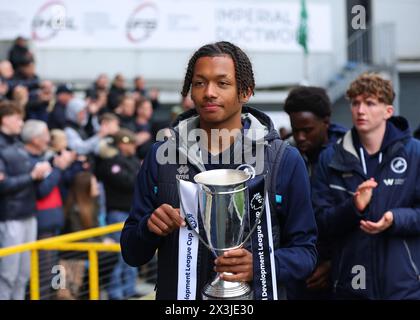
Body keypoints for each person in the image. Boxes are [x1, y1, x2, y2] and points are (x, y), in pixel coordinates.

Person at [120, 41, 317, 300]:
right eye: (200, 83)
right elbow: (132, 253)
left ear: (245, 92)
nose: (209, 92)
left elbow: (306, 251)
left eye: (222, 83)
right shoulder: (161, 156)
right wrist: (148, 228)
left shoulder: (284, 159)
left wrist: (261, 266)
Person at [312, 73, 420, 299]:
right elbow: (320, 223)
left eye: (370, 103)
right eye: (355, 103)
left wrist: (395, 218)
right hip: (351, 287)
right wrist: (353, 207)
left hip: (404, 288)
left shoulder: (415, 153)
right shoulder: (330, 158)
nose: (360, 110)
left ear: (388, 111)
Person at [283, 86, 347, 298]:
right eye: (295, 129)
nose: (300, 137)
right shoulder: (283, 155)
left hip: (340, 273)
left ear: (326, 122)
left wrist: (333, 264)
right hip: (294, 272)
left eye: (307, 130)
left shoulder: (349, 156)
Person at [0, 101, 51, 299]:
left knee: (23, 274)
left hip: (29, 213)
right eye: (17, 119)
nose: (21, 123)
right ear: (5, 119)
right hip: (10, 217)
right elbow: (2, 185)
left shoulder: (18, 145)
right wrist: (32, 176)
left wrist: (36, 174)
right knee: (7, 274)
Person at [97, 129, 141, 300]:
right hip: (117, 214)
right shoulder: (111, 163)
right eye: (130, 143)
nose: (133, 146)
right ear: (122, 143)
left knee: (133, 252)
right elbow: (129, 182)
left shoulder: (132, 160)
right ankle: (116, 293)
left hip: (131, 212)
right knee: (118, 256)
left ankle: (129, 290)